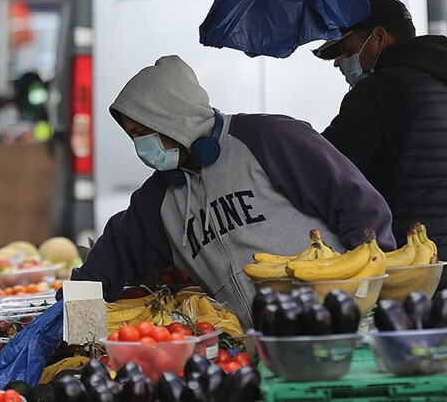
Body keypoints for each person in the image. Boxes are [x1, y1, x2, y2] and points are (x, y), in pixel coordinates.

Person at [76, 55, 396, 327]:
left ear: (174, 118)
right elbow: (108, 262)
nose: (139, 145)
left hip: (341, 319)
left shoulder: (269, 138)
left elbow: (359, 204)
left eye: (143, 132)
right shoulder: (157, 201)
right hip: (259, 342)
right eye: (133, 136)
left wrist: (373, 295)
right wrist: (71, 324)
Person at [312, 0, 447, 288]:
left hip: (415, 265)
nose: (339, 64)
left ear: (379, 38)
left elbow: (325, 167)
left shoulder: (380, 91)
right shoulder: (437, 76)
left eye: (347, 51)